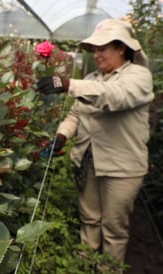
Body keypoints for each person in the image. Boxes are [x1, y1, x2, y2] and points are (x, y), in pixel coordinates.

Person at [36, 19, 154, 264]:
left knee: (114, 227)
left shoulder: (139, 76)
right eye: (95, 49)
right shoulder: (93, 77)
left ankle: (108, 269)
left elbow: (116, 97)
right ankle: (84, 262)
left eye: (103, 49)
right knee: (89, 218)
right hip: (88, 160)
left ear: (121, 48)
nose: (97, 55)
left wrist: (69, 84)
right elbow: (76, 114)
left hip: (122, 168)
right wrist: (62, 136)